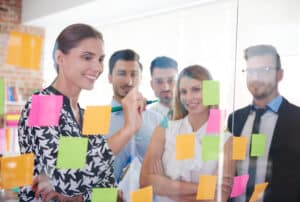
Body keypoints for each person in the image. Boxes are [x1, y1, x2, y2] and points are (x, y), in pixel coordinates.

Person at [18, 24, 146, 202]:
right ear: (60, 58)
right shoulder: (43, 104)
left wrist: (78, 192)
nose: (98, 68)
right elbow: (68, 180)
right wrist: (127, 129)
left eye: (100, 59)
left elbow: (103, 183)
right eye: (87, 57)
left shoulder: (86, 115)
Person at [140, 65, 235, 202]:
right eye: (183, 92)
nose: (189, 97)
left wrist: (166, 187)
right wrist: (203, 188)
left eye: (196, 90)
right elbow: (145, 181)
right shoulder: (165, 129)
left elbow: (217, 197)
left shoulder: (226, 140)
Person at [227, 44, 300, 202]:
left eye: (264, 70)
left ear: (279, 75)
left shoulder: (296, 119)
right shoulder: (236, 119)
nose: (256, 77)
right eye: (251, 71)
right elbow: (235, 171)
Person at [104, 49, 163, 200]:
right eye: (122, 73)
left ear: (141, 78)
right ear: (110, 77)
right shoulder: (93, 119)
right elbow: (81, 170)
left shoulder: (158, 120)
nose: (129, 81)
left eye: (134, 74)